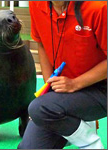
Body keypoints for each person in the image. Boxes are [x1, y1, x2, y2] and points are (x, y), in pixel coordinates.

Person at [18, 1, 107, 149]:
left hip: (101, 89)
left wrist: (75, 84)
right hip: (65, 89)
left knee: (40, 108)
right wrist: (48, 89)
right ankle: (74, 126)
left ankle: (90, 143)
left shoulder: (98, 7)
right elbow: (41, 44)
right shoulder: (36, 4)